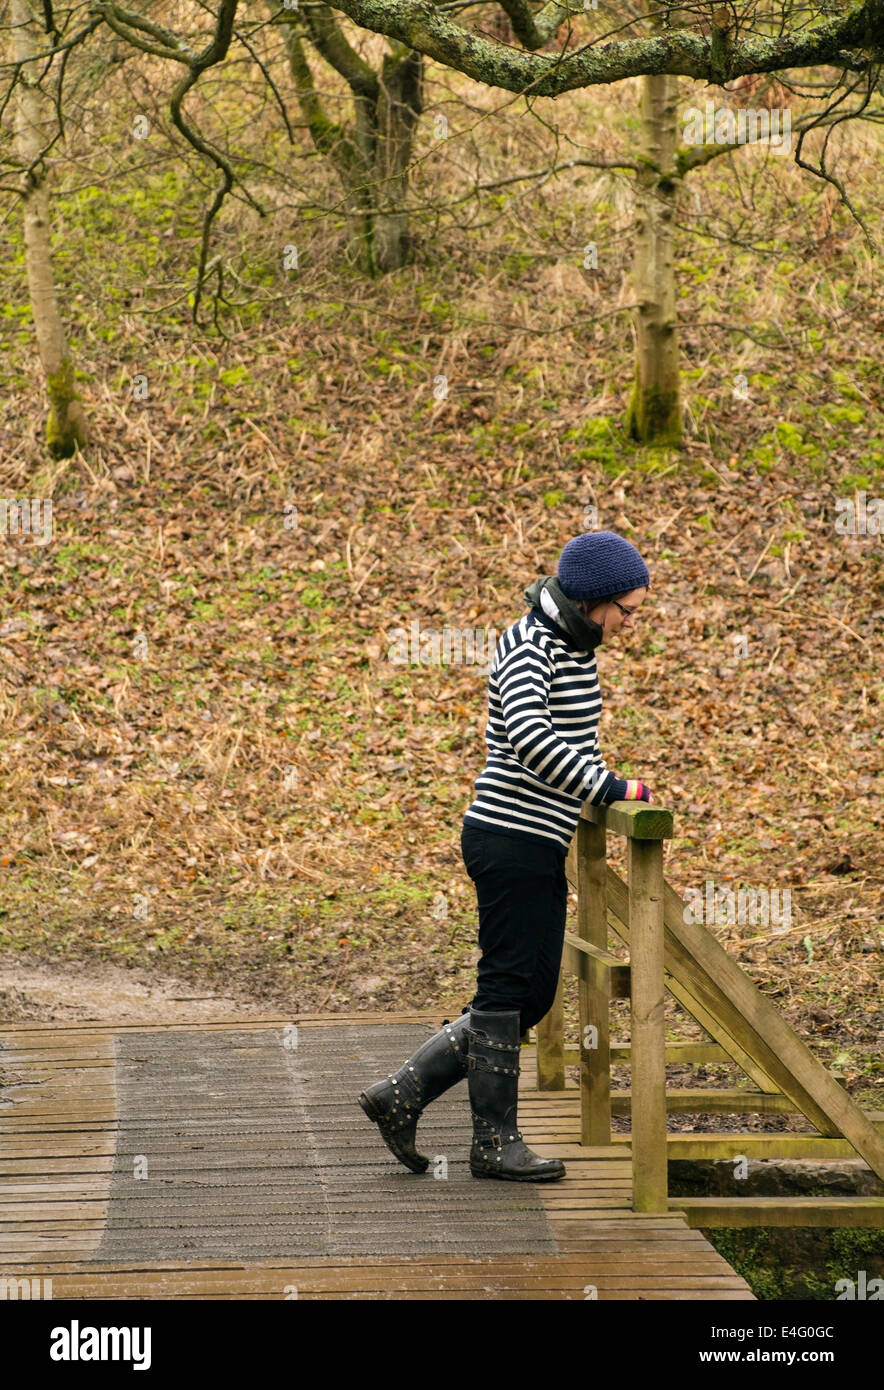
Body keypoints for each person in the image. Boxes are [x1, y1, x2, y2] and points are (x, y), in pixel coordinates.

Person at [359, 530, 652, 1183]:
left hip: (541, 840)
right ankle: (493, 1143)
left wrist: (599, 781)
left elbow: (572, 737)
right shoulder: (529, 644)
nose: (630, 622)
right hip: (507, 837)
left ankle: (398, 1094)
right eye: (626, 608)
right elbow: (526, 737)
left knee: (535, 995)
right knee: (503, 989)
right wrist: (604, 788)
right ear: (593, 598)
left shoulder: (577, 647)